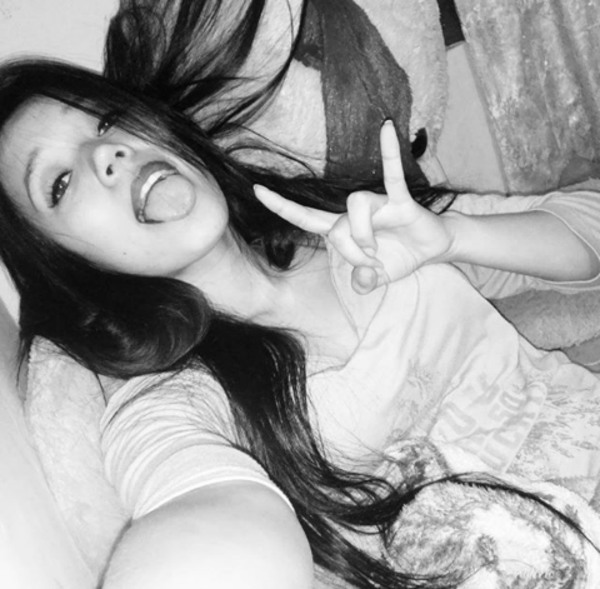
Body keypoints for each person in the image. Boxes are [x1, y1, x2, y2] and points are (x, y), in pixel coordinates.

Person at [2, 56, 600, 588]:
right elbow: (202, 518)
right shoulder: (170, 403)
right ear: (60, 260)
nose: (105, 153)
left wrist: (454, 238)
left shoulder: (345, 226)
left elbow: (587, 226)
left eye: (106, 122)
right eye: (59, 182)